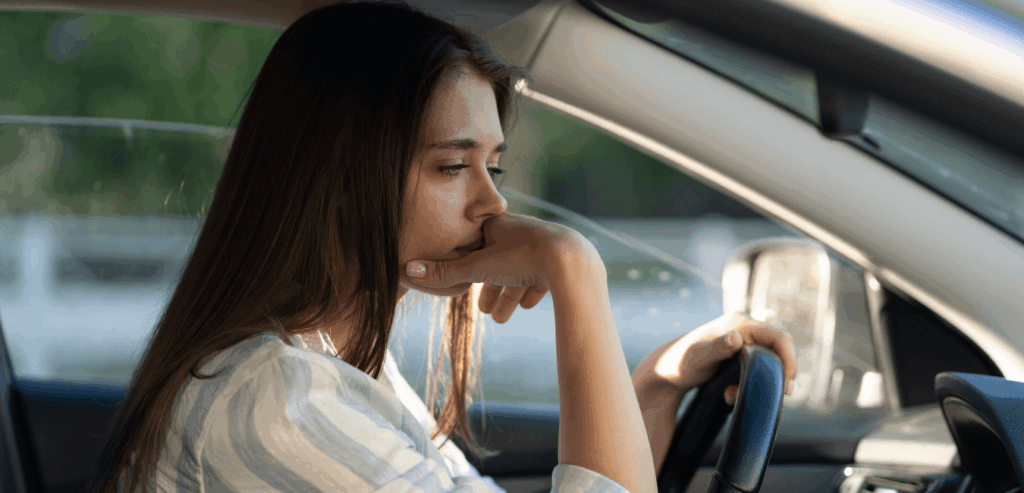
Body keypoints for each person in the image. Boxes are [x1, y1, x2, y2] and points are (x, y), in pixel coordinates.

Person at [86, 1, 796, 492]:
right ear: (337, 180)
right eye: (453, 167)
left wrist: (654, 387)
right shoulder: (278, 402)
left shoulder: (337, 369)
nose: (494, 205)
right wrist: (574, 269)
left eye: (495, 167)